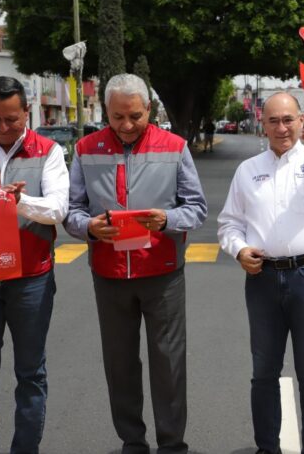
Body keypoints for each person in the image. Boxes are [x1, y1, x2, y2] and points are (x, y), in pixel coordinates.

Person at [217, 42, 304, 454]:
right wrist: (239, 249)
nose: (281, 128)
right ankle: (266, 448)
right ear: (263, 124)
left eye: (288, 119)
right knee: (263, 372)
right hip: (263, 279)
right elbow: (228, 223)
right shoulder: (247, 171)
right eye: (273, 121)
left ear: (301, 122)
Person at [64, 73, 207, 454]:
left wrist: (167, 220)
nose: (126, 126)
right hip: (109, 276)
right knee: (119, 363)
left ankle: (172, 443)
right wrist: (89, 228)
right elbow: (72, 211)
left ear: (149, 110)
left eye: (135, 116)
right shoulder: (85, 149)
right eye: (116, 117)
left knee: (169, 363)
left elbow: (197, 208)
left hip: (162, 273)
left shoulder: (175, 147)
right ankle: (132, 440)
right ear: (105, 113)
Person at [0, 76, 69, 453]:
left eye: (12, 119)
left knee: (31, 373)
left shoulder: (49, 151)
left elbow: (57, 208)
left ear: (27, 111)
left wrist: (19, 204)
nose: (4, 128)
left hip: (31, 279)